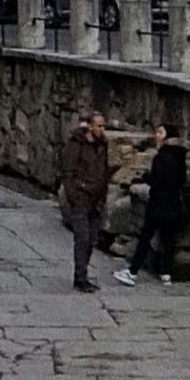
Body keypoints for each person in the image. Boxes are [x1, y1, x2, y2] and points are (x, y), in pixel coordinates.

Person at [116, 122, 190, 287]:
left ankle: (132, 271)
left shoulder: (161, 157)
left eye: (160, 132)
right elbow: (182, 180)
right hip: (173, 203)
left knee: (145, 237)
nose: (156, 135)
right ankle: (166, 273)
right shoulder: (180, 157)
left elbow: (156, 180)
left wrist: (145, 177)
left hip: (158, 203)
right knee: (168, 239)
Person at [59, 108, 115, 292]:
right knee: (82, 237)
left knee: (91, 239)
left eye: (103, 126)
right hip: (81, 197)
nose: (102, 129)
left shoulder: (102, 145)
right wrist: (74, 196)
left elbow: (104, 170)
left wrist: (103, 194)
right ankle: (80, 276)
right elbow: (68, 172)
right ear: (90, 126)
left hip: (96, 199)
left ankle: (83, 273)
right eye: (98, 125)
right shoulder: (77, 145)